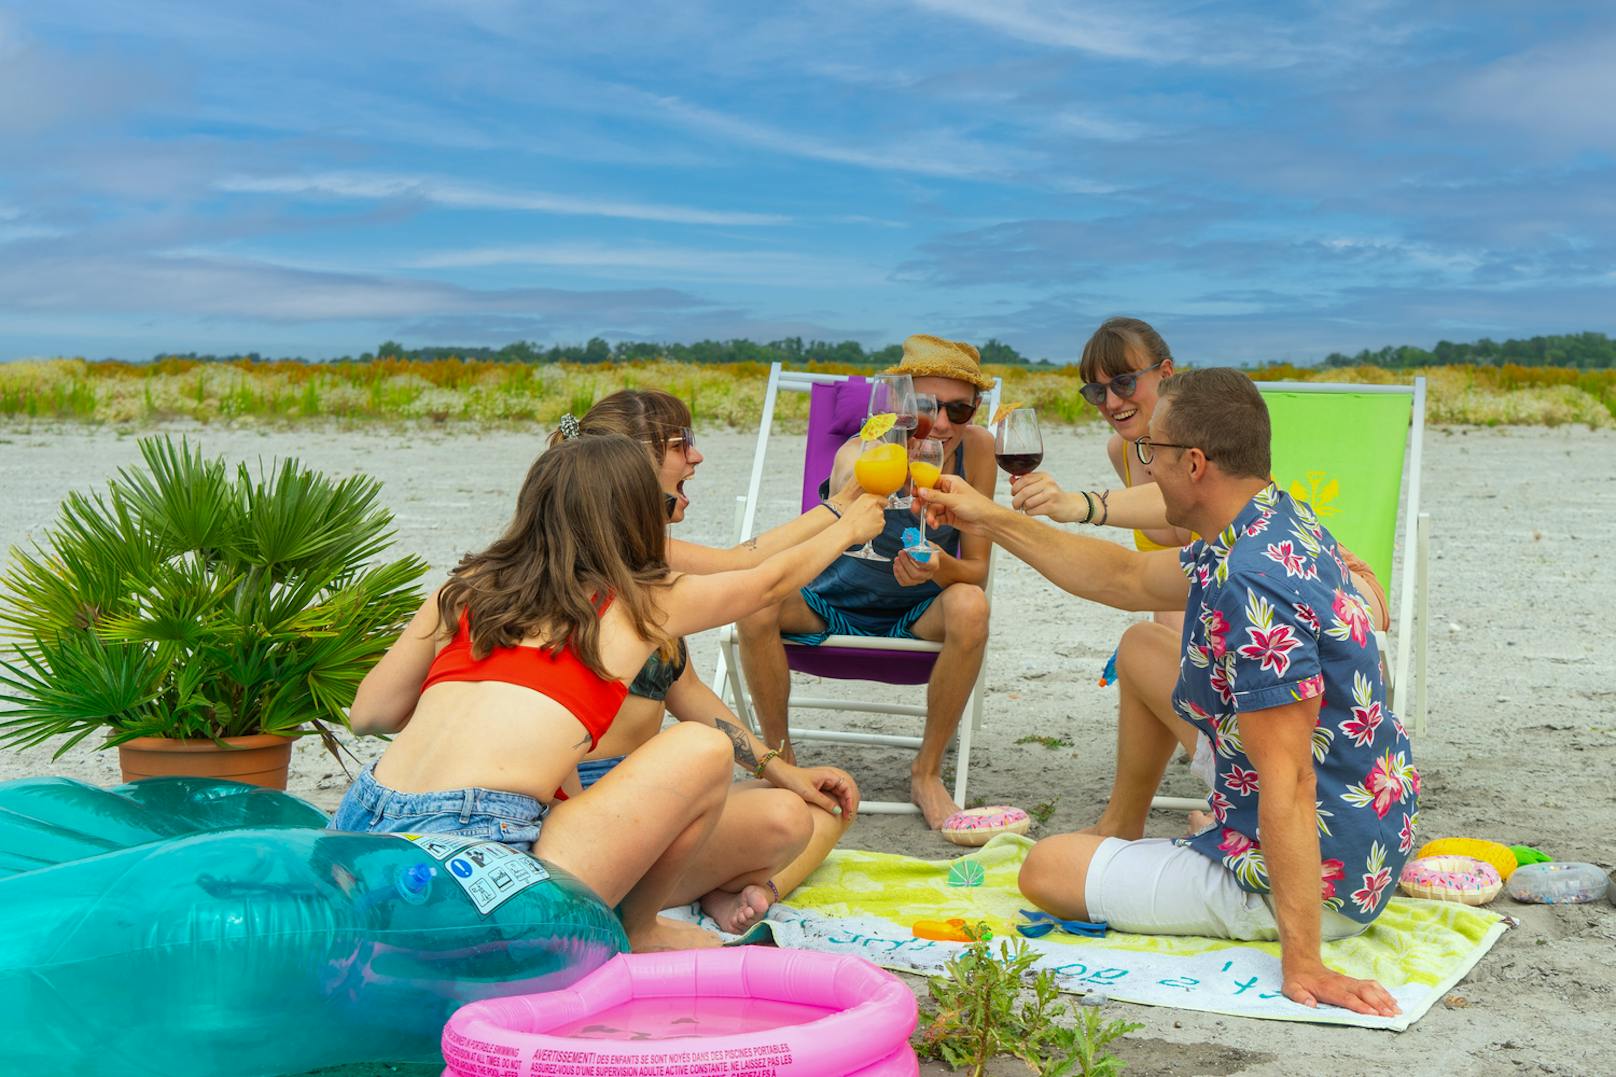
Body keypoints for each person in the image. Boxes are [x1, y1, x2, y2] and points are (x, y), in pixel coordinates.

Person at [918, 368, 1415, 1017]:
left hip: (1323, 874)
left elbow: (1288, 781)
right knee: (1142, 648)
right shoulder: (1270, 521)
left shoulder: (1253, 586)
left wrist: (1305, 961)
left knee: (1044, 869)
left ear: (1197, 463)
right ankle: (1122, 834)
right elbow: (1123, 576)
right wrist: (988, 516)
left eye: (1153, 451)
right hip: (1364, 821)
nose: (1145, 466)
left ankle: (1156, 870)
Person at [331, 434, 884, 952]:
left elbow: (369, 713)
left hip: (362, 822)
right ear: (637, 517)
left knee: (562, 783)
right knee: (703, 748)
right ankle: (639, 931)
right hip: (477, 849)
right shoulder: (636, 604)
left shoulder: (468, 589)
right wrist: (846, 528)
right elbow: (763, 582)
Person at [556, 390, 863, 933]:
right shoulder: (624, 567)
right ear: (632, 463)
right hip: (594, 802)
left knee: (821, 800)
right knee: (796, 816)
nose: (695, 457)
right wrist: (843, 517)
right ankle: (665, 899)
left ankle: (730, 892)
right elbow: (749, 570)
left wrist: (779, 768)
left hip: (643, 789)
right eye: (682, 444)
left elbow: (688, 689)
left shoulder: (642, 555)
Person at [737, 334, 997, 828]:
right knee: (754, 602)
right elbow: (834, 502)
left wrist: (940, 566)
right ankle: (782, 761)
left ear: (975, 411)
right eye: (925, 406)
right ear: (900, 403)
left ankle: (927, 772)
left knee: (971, 606)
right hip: (827, 602)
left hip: (918, 613)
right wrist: (862, 476)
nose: (940, 424)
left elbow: (977, 572)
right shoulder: (866, 449)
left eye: (958, 412)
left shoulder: (978, 451)